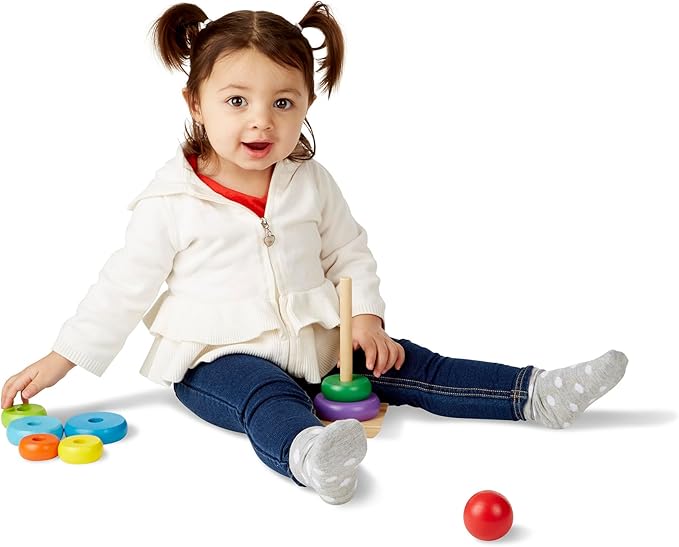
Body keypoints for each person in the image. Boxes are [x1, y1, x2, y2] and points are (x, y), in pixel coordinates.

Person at [1, 2, 628, 505]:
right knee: (267, 397)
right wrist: (62, 358)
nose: (261, 121)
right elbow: (122, 287)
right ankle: (308, 456)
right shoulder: (171, 200)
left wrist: (365, 320)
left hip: (317, 340)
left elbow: (349, 252)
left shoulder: (310, 182)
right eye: (236, 100)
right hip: (215, 358)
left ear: (307, 103)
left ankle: (535, 393)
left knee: (414, 364)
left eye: (283, 102)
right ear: (196, 102)